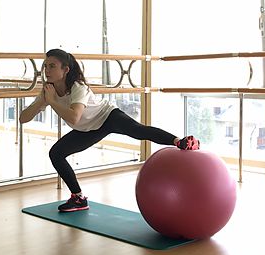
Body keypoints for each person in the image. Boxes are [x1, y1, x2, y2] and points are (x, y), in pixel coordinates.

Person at [19, 49, 200, 212]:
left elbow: (74, 116)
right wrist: (42, 101)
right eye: (45, 66)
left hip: (107, 117)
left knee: (137, 130)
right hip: (87, 129)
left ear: (66, 70)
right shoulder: (48, 91)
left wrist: (51, 101)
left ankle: (180, 141)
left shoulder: (78, 87)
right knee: (56, 153)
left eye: (52, 66)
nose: (47, 70)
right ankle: (79, 198)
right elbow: (23, 118)